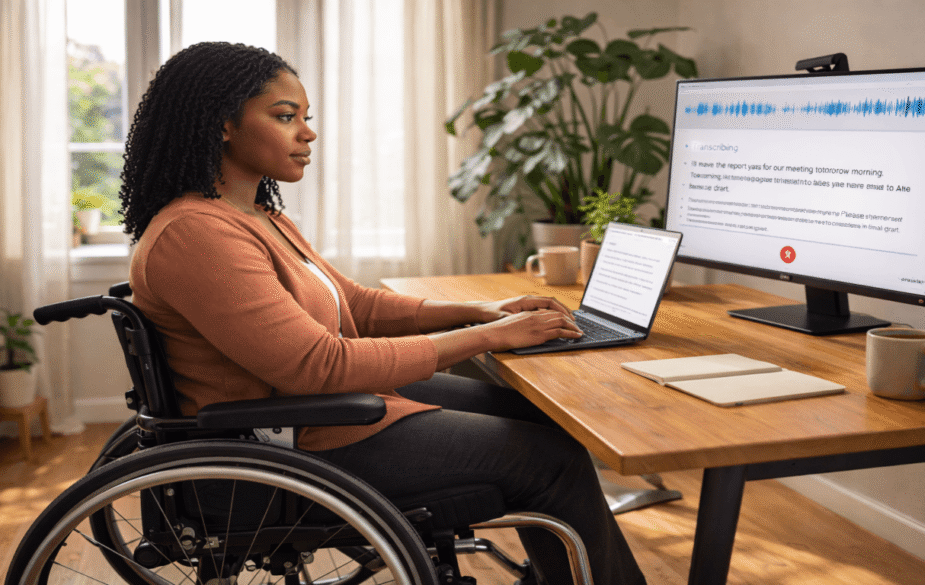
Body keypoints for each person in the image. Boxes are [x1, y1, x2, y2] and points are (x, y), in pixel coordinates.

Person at [122, 41, 646, 585]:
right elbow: (317, 366)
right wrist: (489, 336)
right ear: (222, 124)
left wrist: (479, 310)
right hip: (283, 447)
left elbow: (353, 305)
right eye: (284, 117)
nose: (308, 133)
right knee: (550, 459)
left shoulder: (256, 215)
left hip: (310, 416)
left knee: (541, 415)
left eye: (306, 117)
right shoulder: (197, 234)